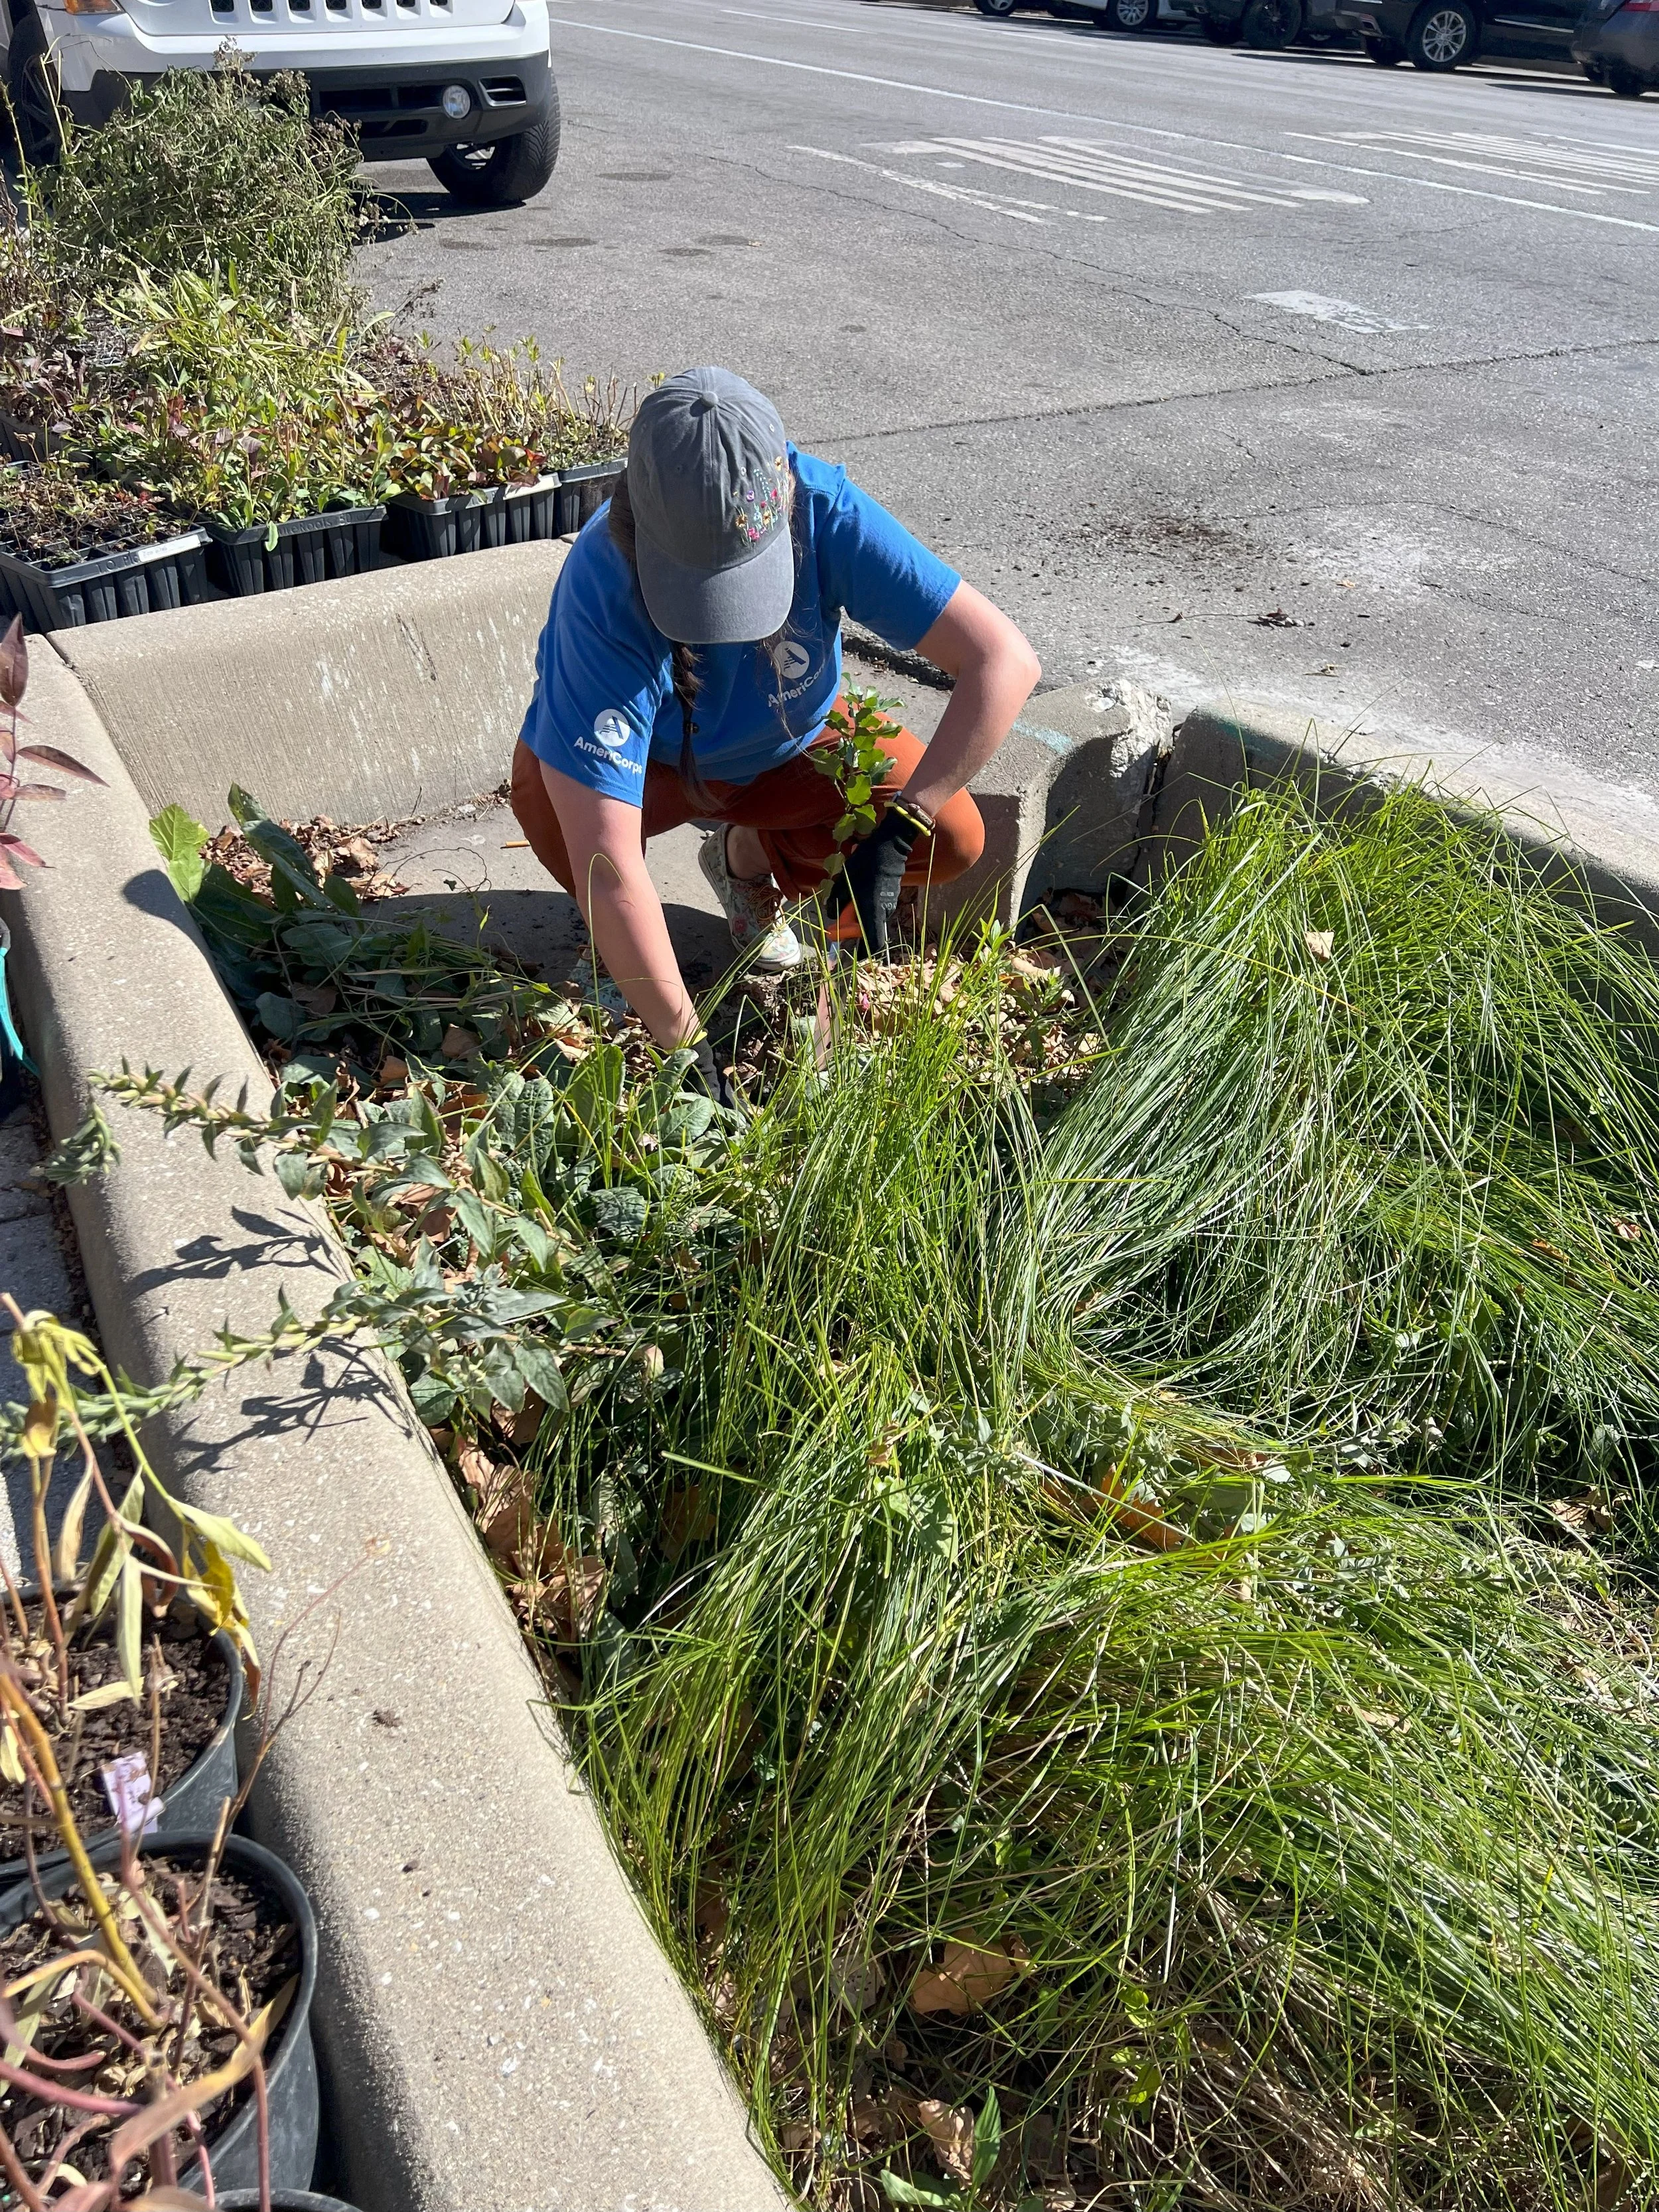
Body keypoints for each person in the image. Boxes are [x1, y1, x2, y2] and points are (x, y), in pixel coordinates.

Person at [510, 366, 1040, 1096]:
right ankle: (616, 959)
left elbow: (1002, 660)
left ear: (784, 492)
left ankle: (746, 860)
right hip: (651, 774)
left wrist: (898, 831)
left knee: (952, 837)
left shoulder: (825, 510)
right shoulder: (599, 585)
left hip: (785, 747)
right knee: (554, 810)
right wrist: (684, 1047)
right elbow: (607, 856)